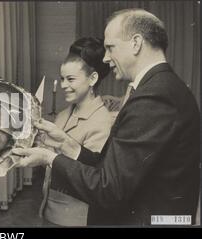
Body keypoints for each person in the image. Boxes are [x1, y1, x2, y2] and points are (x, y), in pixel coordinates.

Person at [14, 8, 200, 225]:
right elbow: (114, 168)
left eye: (110, 47)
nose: (105, 57)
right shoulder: (161, 87)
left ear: (136, 43)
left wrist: (50, 158)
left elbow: (109, 187)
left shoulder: (155, 96)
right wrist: (67, 144)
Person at [40, 37, 112, 226]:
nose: (63, 85)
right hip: (50, 210)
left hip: (75, 217)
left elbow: (89, 178)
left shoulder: (102, 122)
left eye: (71, 79)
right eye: (62, 78)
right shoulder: (63, 114)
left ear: (93, 78)